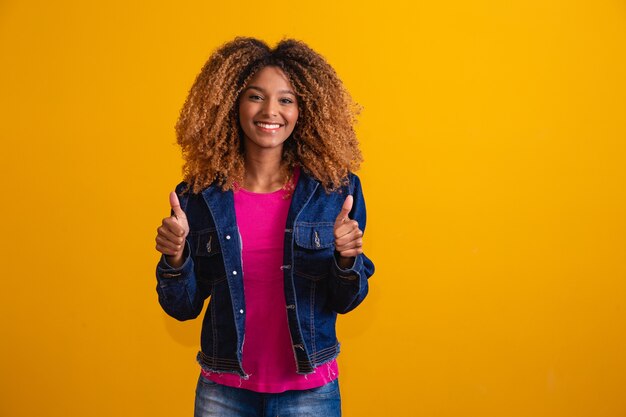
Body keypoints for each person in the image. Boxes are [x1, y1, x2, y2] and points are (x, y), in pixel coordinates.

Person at [154, 37, 375, 417]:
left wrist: (345, 259)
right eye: (256, 96)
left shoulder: (335, 190)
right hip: (223, 392)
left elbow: (346, 300)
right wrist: (176, 259)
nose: (270, 110)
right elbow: (183, 308)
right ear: (231, 104)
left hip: (310, 393)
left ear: (305, 109)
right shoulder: (198, 196)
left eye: (286, 99)